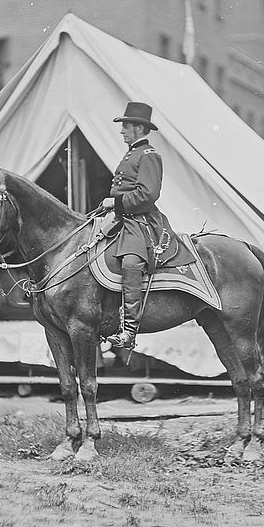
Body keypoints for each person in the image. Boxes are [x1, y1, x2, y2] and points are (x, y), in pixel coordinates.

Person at [101, 101, 166, 350]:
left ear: (139, 129)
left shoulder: (149, 155)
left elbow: (147, 195)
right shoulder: (132, 153)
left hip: (139, 221)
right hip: (122, 217)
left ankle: (129, 329)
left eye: (126, 126)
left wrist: (115, 202)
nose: (122, 131)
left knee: (131, 262)